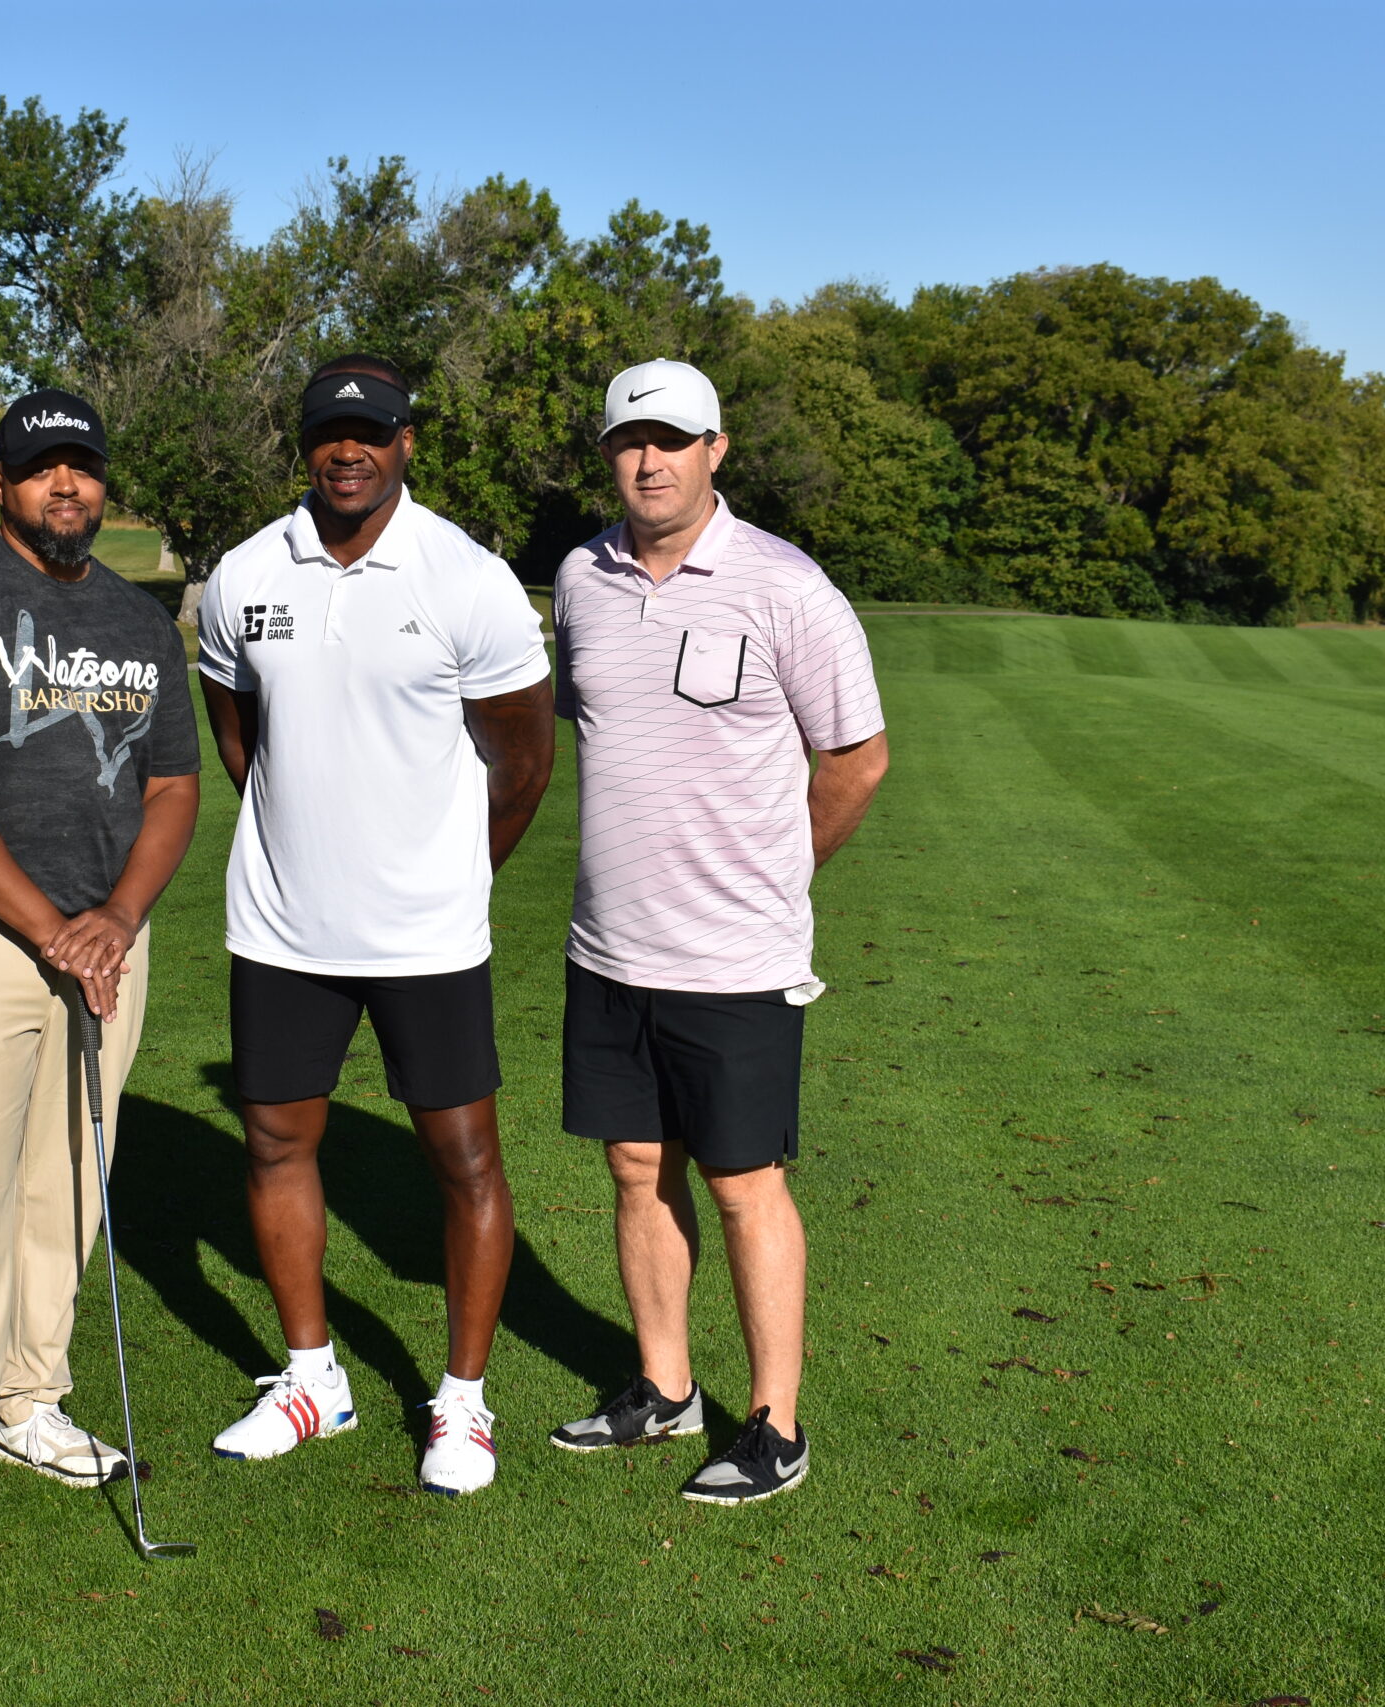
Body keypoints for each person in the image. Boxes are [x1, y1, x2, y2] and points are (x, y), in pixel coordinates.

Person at [196, 355, 555, 1497]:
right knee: (273, 1144)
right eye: (326, 433)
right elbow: (239, 732)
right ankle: (314, 1380)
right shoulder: (245, 571)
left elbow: (524, 764)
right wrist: (304, 841)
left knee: (464, 1159)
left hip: (427, 936)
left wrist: (446, 873)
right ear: (302, 444)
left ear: (405, 442)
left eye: (370, 431)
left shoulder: (468, 578)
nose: (345, 450)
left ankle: (463, 1400)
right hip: (282, 927)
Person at [545, 359, 889, 1504]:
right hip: (608, 946)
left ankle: (774, 1424)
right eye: (628, 441)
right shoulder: (581, 579)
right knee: (635, 1166)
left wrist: (779, 874)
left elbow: (856, 759)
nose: (648, 461)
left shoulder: (786, 587)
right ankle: (665, 1386)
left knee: (744, 1181)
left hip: (735, 955)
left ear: (715, 451)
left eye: (671, 440)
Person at [0, 388, 201, 1547]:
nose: (67, 484)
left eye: (83, 466)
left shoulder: (140, 622)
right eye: (42, 466)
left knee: (67, 1177)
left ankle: (29, 1401)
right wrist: (51, 927)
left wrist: (115, 915)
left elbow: (173, 788)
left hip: (105, 937)